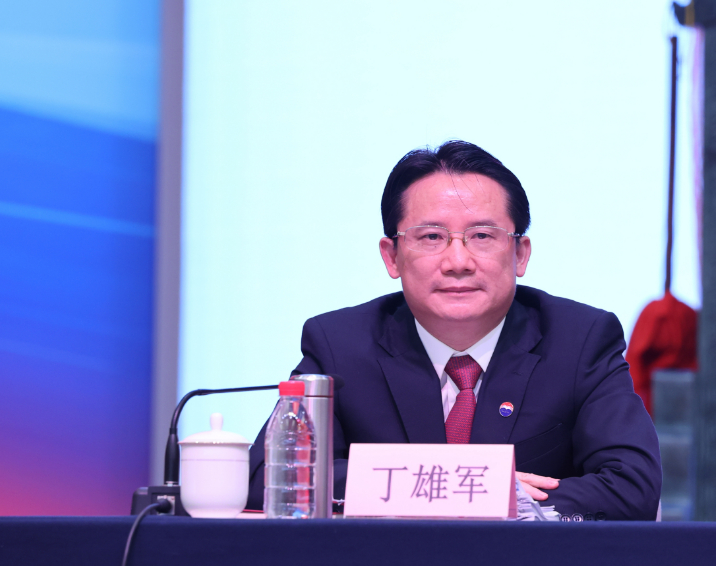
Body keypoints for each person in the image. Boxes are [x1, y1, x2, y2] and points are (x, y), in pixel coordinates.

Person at [247, 140, 661, 519]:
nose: (458, 262)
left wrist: (497, 501)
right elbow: (270, 477)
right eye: (431, 237)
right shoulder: (340, 344)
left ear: (520, 254)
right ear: (392, 257)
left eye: (482, 236)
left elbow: (632, 486)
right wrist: (470, 492)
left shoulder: (580, 340)